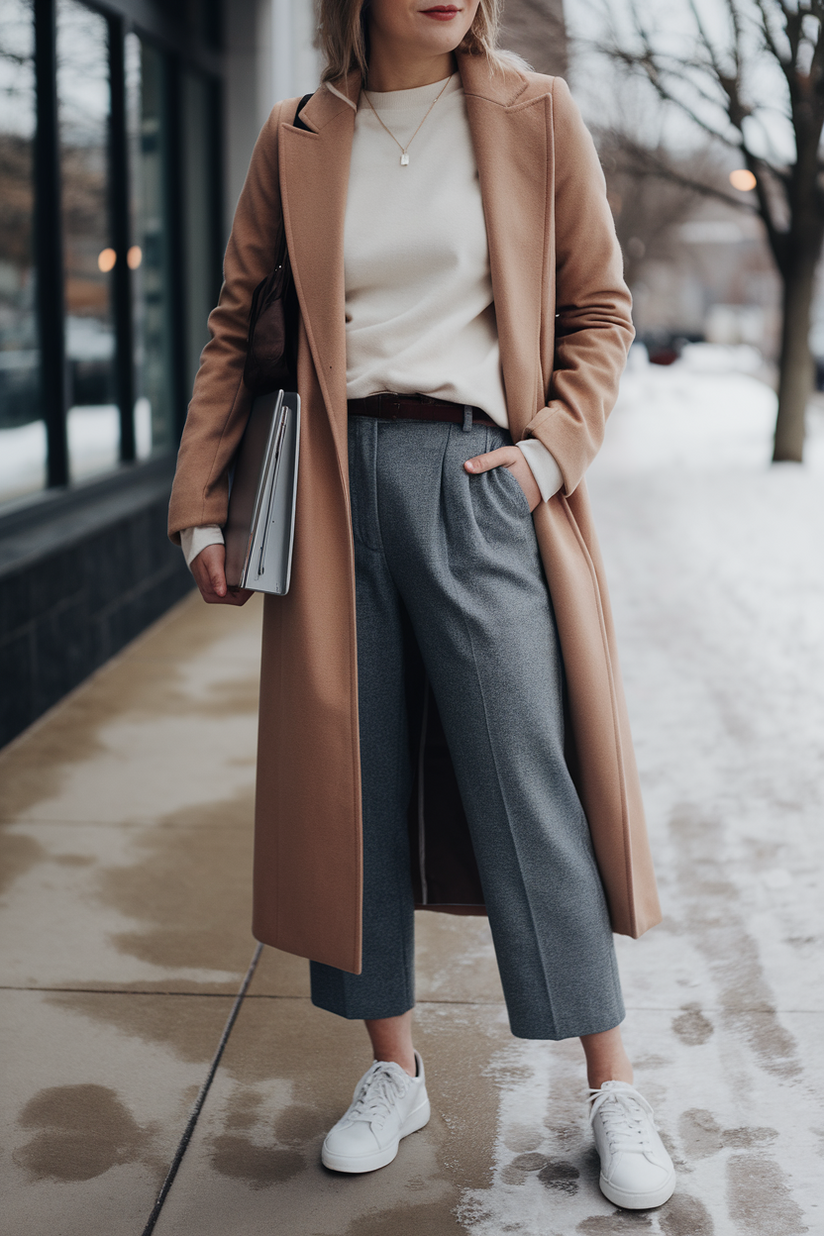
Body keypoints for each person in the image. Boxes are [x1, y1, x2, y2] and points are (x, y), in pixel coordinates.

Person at [168, 0, 676, 1212]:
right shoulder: (295, 132)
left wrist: (549, 453)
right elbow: (237, 328)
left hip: (477, 479)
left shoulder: (533, 115)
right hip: (334, 492)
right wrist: (202, 503)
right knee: (354, 789)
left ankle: (607, 1082)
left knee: (528, 779)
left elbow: (597, 310)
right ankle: (391, 1070)